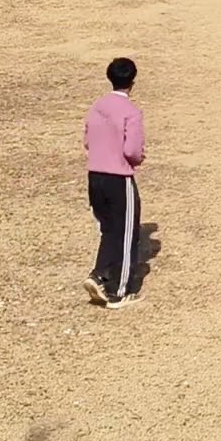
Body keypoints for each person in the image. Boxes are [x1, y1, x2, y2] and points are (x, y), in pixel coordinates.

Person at [82, 57, 146, 310]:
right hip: (119, 177)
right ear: (133, 82)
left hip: (94, 175)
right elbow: (132, 150)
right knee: (128, 232)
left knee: (109, 229)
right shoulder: (131, 112)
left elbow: (87, 140)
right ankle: (118, 291)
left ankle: (99, 274)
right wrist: (138, 158)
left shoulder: (97, 106)